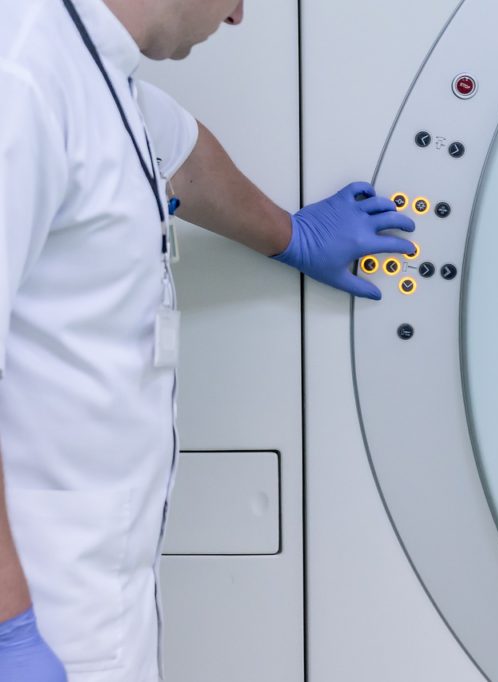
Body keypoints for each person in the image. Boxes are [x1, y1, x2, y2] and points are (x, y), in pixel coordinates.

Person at [0, 0, 414, 679]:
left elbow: (182, 158)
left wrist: (291, 235)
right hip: (34, 606)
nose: (241, 16)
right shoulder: (21, 76)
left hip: (95, 590)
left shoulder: (99, 70)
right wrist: (8, 629)